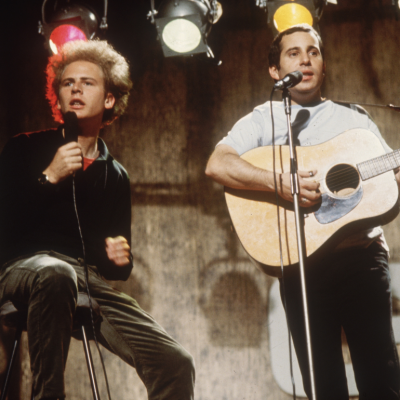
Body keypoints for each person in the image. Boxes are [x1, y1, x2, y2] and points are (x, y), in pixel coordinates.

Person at [206, 24, 400, 400]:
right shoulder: (265, 118)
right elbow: (218, 164)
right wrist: (276, 181)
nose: (305, 59)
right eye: (293, 53)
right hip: (303, 267)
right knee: (323, 387)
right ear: (275, 72)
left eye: (313, 51)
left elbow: (385, 188)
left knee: (382, 385)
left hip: (362, 260)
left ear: (323, 66)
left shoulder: (357, 121)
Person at [0, 40, 194, 400]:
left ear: (109, 99)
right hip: (18, 269)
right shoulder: (23, 148)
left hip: (83, 278)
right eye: (67, 82)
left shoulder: (115, 175)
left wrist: (120, 258)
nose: (75, 88)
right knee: (55, 273)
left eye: (87, 82)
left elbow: (114, 266)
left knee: (174, 361)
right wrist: (49, 177)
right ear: (57, 96)